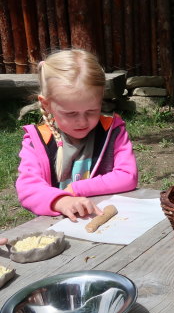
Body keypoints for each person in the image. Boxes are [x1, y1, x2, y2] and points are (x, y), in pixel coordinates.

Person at [15, 49, 138, 222]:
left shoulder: (112, 130)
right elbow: (28, 189)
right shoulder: (38, 141)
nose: (82, 122)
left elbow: (127, 176)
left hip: (109, 220)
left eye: (91, 111)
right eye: (71, 113)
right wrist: (61, 200)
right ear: (47, 104)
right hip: (57, 226)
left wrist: (76, 189)